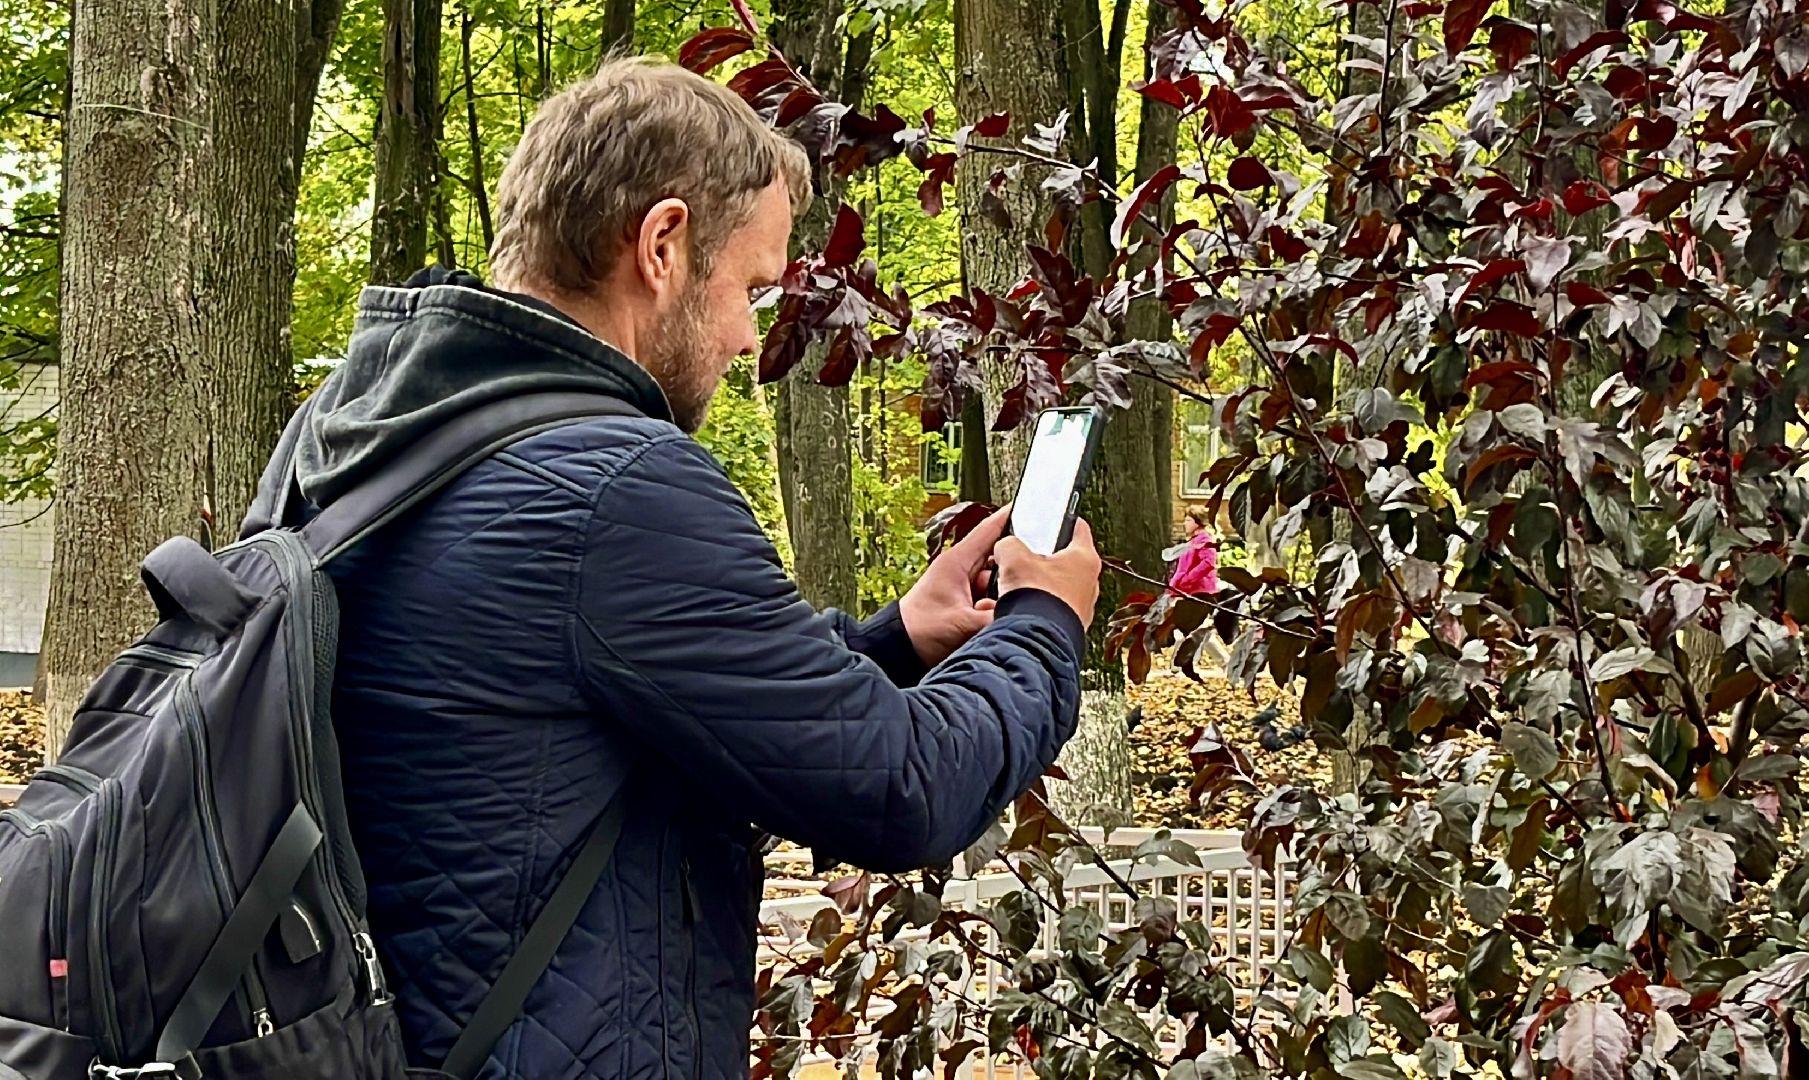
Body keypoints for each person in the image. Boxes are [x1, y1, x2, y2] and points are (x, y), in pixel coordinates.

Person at [250, 58, 1101, 1079]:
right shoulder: (618, 484)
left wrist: (896, 640)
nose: (750, 336)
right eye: (750, 287)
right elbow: (902, 787)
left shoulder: (353, 429)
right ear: (662, 246)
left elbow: (589, 694)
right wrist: (1045, 626)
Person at [1168, 507, 1220, 597]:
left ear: (1197, 522)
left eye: (1188, 520)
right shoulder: (1193, 541)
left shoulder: (1204, 540)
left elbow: (1208, 563)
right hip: (1188, 591)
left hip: (1199, 592)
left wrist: (1187, 579)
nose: (1185, 524)